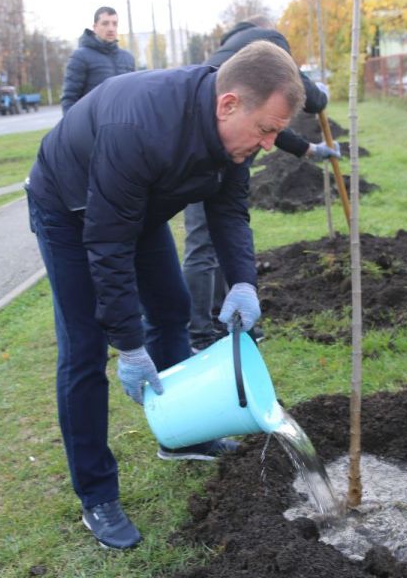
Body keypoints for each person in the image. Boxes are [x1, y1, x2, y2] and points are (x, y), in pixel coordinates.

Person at [25, 41, 305, 549]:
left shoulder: (232, 134)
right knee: (86, 348)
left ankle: (183, 433)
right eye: (266, 130)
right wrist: (129, 346)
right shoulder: (139, 129)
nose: (269, 145)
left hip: (136, 203)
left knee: (172, 308)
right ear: (229, 104)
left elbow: (228, 211)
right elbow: (108, 246)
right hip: (69, 209)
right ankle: (97, 494)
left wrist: (243, 281)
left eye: (276, 134)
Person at [183, 15, 338, 351]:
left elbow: (269, 125)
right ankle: (201, 334)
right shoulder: (269, 45)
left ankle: (217, 323)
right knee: (208, 243)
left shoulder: (228, 50)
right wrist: (320, 95)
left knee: (209, 241)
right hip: (219, 150)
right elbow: (306, 98)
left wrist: (308, 148)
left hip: (208, 147)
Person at [60, 6, 136, 114]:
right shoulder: (80, 56)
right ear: (95, 27)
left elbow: (133, 96)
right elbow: (69, 99)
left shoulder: (128, 58)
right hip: (93, 126)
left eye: (114, 24)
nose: (111, 28)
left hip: (123, 125)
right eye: (105, 23)